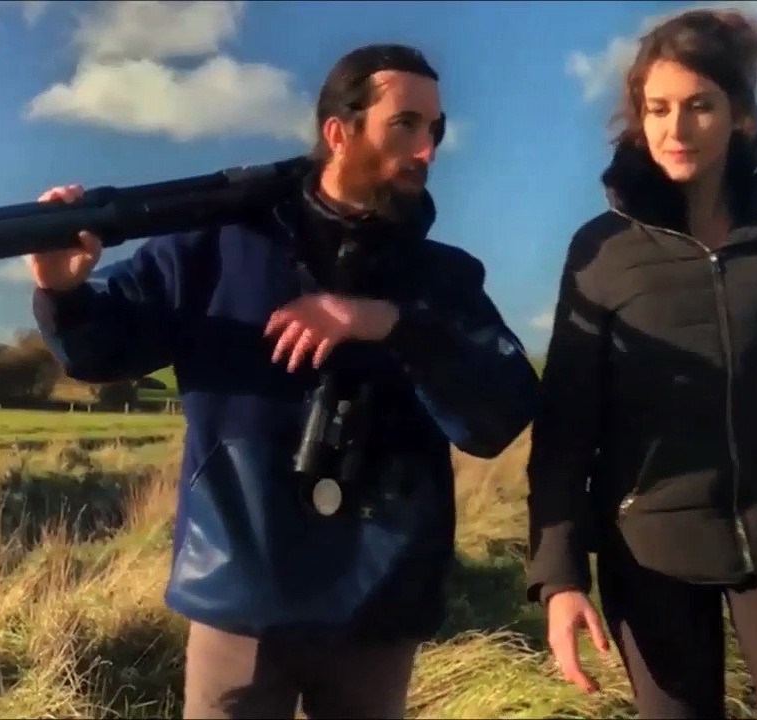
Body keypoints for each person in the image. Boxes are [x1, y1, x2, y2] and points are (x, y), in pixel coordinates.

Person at [28, 44, 539, 719]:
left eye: (434, 129)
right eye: (405, 124)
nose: (427, 149)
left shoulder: (444, 278)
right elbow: (99, 349)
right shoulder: (214, 246)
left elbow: (499, 411)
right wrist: (63, 292)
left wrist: (388, 322)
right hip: (239, 591)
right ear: (339, 131)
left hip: (380, 599)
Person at [525, 9, 757, 719]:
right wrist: (560, 578)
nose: (676, 128)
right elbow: (565, 431)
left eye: (699, 106)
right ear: (638, 118)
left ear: (740, 115)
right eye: (658, 108)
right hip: (650, 543)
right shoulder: (603, 251)